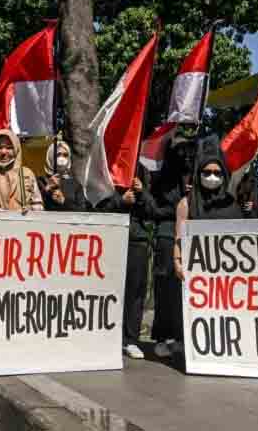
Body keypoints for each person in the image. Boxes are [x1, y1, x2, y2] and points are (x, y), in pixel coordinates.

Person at [170, 136, 243, 355]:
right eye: (207, 173)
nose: (212, 177)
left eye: (217, 173)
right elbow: (179, 235)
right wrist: (177, 262)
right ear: (198, 174)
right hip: (198, 276)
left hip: (226, 277)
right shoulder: (187, 203)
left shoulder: (232, 204)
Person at [95, 162, 152, 360]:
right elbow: (96, 208)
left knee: (135, 293)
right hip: (111, 238)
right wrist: (121, 201)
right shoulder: (106, 167)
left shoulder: (143, 171)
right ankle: (106, 335)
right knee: (109, 291)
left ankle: (130, 340)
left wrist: (142, 194)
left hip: (137, 241)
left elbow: (153, 211)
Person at [149, 133, 196, 358]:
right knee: (166, 287)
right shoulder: (164, 181)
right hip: (168, 236)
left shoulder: (196, 178)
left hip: (191, 237)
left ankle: (181, 335)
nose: (185, 158)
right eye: (180, 154)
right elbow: (157, 209)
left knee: (184, 289)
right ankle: (163, 335)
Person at [0, 129, 43, 212]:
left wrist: (31, 209)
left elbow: (38, 205)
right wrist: (6, 216)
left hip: (22, 223)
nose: (3, 152)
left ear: (16, 148)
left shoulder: (27, 173)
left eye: (9, 148)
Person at [38, 139, 88, 211]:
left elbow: (82, 211)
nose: (62, 158)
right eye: (58, 154)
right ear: (50, 156)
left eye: (65, 155)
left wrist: (64, 201)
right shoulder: (41, 181)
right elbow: (35, 206)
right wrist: (46, 189)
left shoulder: (75, 184)